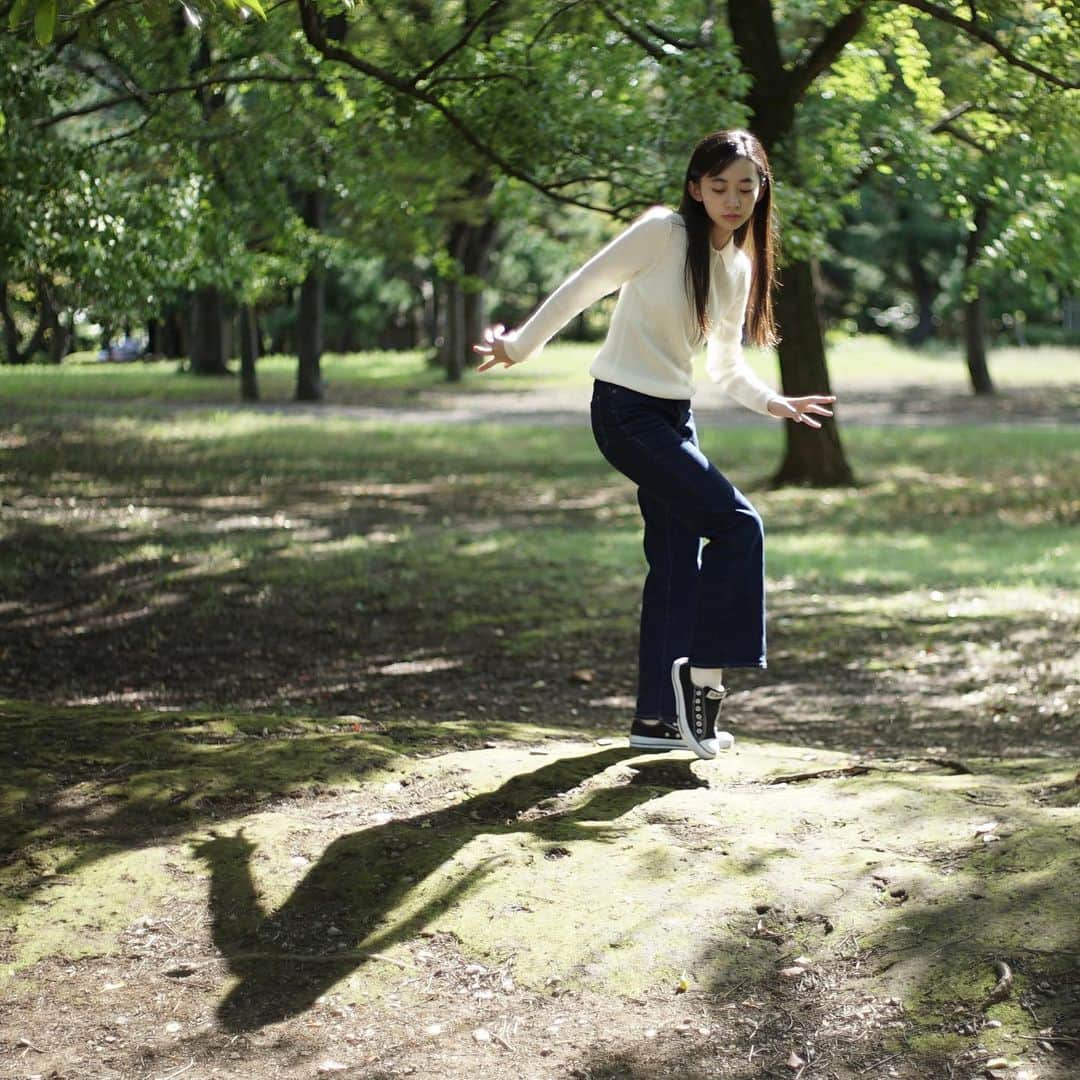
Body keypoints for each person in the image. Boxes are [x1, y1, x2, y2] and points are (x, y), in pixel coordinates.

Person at [472, 129, 835, 761]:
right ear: (696, 188)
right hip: (623, 410)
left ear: (761, 192)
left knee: (674, 564)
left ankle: (656, 719)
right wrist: (520, 345)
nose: (732, 198)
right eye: (718, 186)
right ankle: (704, 681)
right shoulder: (662, 232)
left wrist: (775, 402)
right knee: (738, 526)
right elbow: (584, 285)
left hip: (673, 416)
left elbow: (724, 367)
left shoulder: (737, 265)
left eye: (745, 187)